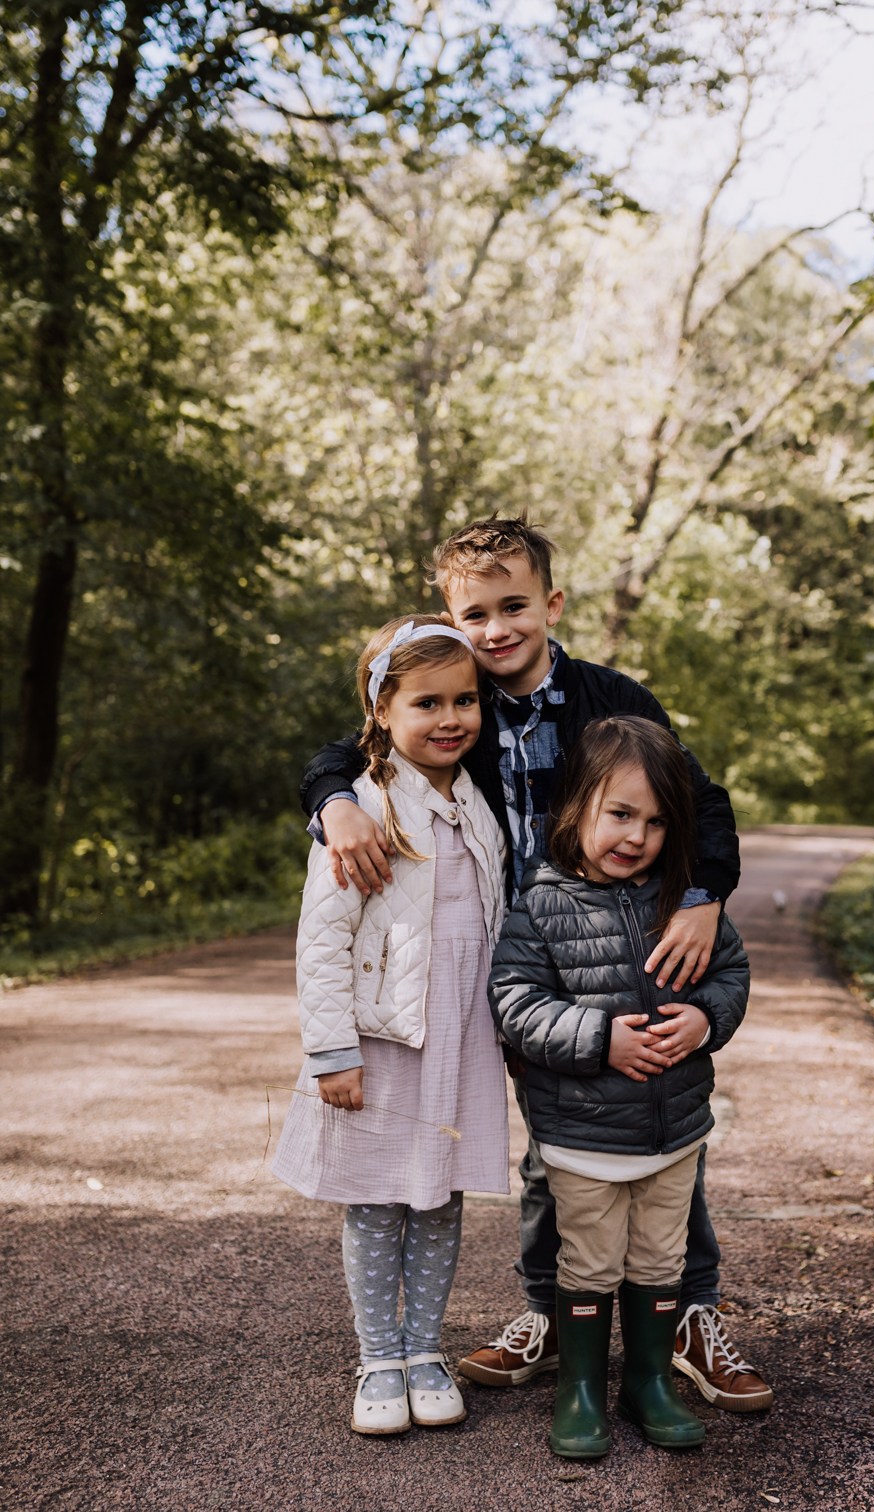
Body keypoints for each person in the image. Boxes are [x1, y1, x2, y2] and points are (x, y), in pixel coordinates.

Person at [298, 514, 773, 1412]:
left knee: (665, 1129)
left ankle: (688, 1314)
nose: (496, 628)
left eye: (514, 605)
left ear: (551, 603)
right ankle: (554, 1310)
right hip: (521, 961)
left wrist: (705, 898)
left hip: (624, 942)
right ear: (450, 617)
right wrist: (334, 803)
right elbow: (352, 746)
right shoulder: (455, 705)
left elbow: (695, 798)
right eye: (474, 612)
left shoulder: (609, 698)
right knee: (555, 1142)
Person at [272, 614, 510, 1436]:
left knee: (439, 1198)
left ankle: (424, 1350)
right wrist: (331, 1051)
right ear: (383, 713)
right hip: (379, 1042)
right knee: (376, 1200)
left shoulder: (478, 801)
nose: (451, 719)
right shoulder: (364, 808)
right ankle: (378, 1357)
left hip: (460, 1038)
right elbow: (324, 938)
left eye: (466, 700)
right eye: (428, 703)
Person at [488, 716, 751, 1457]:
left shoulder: (684, 900)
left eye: (658, 821)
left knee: (661, 1261)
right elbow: (514, 1002)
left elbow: (731, 974)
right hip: (583, 1136)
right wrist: (601, 1037)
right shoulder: (542, 903)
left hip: (673, 1131)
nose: (636, 836)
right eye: (621, 814)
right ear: (578, 808)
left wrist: (705, 1020)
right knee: (591, 1262)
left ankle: (647, 1381)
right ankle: (578, 1391)